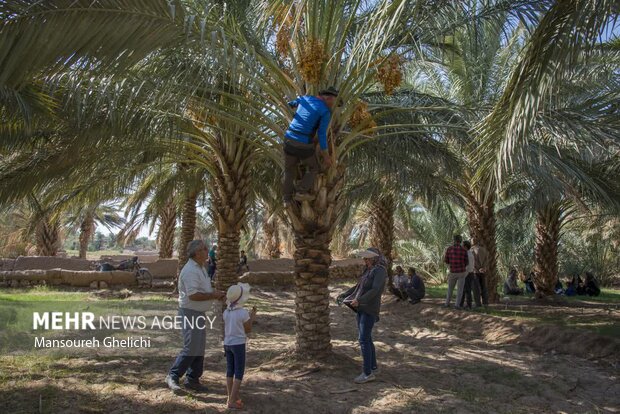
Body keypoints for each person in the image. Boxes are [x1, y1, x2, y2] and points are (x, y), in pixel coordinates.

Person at [166, 240, 226, 394]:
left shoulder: (200, 268)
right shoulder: (191, 270)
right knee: (192, 346)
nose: (208, 251)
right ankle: (173, 375)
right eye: (204, 249)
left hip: (197, 313)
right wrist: (213, 294)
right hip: (190, 311)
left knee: (198, 347)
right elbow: (193, 295)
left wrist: (215, 295)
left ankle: (192, 379)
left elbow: (203, 289)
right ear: (197, 252)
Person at [337, 247, 387, 384]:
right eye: (364, 258)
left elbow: (375, 289)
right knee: (367, 338)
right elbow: (358, 286)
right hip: (361, 307)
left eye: (367, 258)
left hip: (369, 308)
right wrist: (345, 294)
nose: (365, 260)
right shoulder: (368, 270)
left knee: (363, 339)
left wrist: (360, 300)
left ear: (374, 258)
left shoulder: (380, 271)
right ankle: (373, 367)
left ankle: (367, 373)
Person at [282, 87, 338, 203]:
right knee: (314, 168)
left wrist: (294, 105)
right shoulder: (325, 111)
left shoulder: (304, 99)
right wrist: (326, 156)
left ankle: (286, 199)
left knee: (289, 170)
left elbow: (291, 104)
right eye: (332, 100)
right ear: (327, 98)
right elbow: (321, 134)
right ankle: (300, 192)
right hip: (303, 144)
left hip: (288, 139)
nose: (333, 103)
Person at [223, 282, 257, 410]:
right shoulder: (243, 313)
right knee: (239, 371)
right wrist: (252, 316)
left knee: (230, 369)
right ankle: (231, 401)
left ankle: (230, 396)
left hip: (227, 343)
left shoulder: (226, 312)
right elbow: (248, 329)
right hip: (238, 344)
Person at [444, 234, 469, 309]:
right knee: (460, 290)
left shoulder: (449, 249)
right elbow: (466, 262)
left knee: (450, 289)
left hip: (452, 271)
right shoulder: (464, 250)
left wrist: (451, 267)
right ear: (460, 241)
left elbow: (446, 261)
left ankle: (447, 304)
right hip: (461, 272)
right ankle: (457, 305)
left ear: (454, 240)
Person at [471, 239, 489, 307]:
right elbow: (487, 260)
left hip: (475, 271)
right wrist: (484, 268)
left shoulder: (472, 250)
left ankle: (478, 303)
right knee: (484, 287)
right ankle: (485, 303)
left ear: (472, 242)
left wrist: (477, 269)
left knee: (476, 288)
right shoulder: (484, 250)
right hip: (483, 271)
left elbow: (473, 261)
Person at [458, 241, 476, 309]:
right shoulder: (470, 254)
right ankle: (461, 304)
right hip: (469, 273)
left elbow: (468, 266)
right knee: (464, 289)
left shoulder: (468, 255)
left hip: (467, 273)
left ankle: (468, 305)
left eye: (462, 245)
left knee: (466, 290)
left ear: (465, 247)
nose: (461, 247)